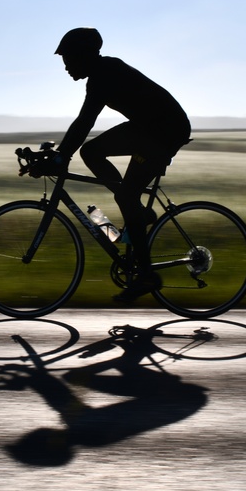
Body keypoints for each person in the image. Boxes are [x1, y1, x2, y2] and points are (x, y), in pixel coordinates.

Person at [52, 27, 191, 302]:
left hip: (164, 132)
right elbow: (83, 127)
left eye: (67, 58)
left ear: (82, 55)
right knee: (91, 152)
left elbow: (84, 121)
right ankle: (137, 214)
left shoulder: (105, 73)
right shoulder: (101, 73)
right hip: (147, 128)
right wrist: (59, 153)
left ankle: (147, 275)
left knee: (127, 195)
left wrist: (61, 155)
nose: (65, 66)